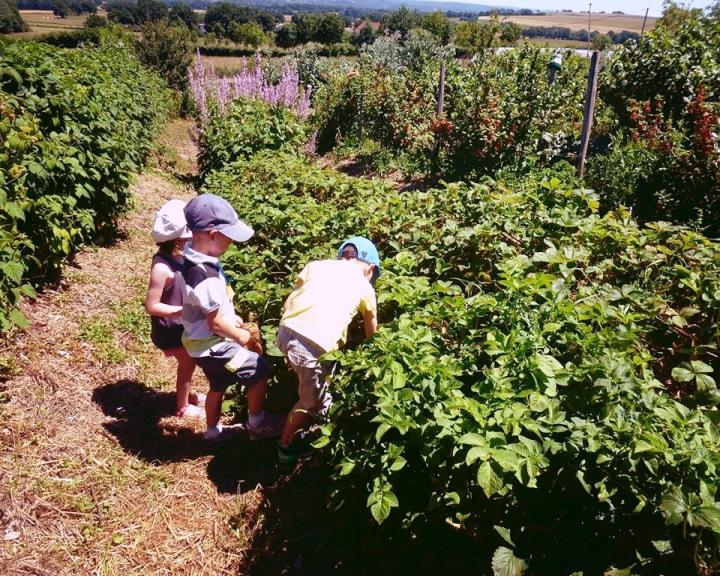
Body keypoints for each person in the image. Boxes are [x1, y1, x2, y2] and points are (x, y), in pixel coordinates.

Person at [178, 193, 285, 441]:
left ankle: (213, 432)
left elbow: (211, 310)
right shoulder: (204, 276)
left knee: (218, 385)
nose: (231, 244)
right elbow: (214, 323)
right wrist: (241, 334)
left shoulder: (191, 255)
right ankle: (257, 422)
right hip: (214, 346)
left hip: (199, 345)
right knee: (260, 371)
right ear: (214, 235)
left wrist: (231, 315)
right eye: (229, 238)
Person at [276, 236, 380, 463]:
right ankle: (286, 446)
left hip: (285, 331)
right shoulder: (365, 286)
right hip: (313, 344)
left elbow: (289, 301)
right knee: (315, 403)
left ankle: (302, 429)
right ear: (370, 270)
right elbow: (373, 334)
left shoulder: (316, 266)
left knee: (309, 387)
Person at [145, 199, 204, 419]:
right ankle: (183, 406)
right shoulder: (162, 267)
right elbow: (151, 306)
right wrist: (179, 310)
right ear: (177, 239)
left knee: (191, 362)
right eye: (189, 235)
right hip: (170, 329)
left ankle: (187, 396)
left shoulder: (179, 258)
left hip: (182, 326)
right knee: (188, 364)